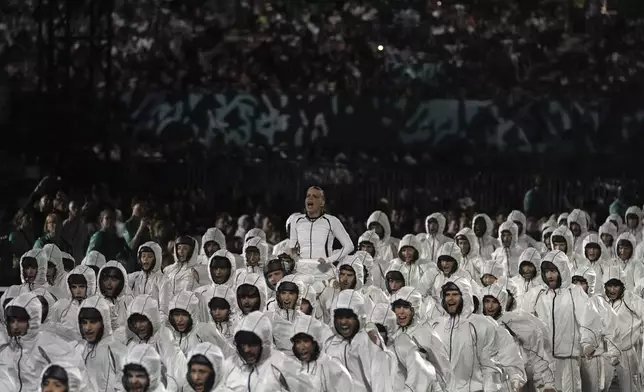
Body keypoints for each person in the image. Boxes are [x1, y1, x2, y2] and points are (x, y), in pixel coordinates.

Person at [218, 311, 314, 391]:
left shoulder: (282, 365)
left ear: (264, 342)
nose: (246, 350)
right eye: (242, 345)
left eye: (252, 344)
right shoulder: (229, 366)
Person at [288, 186, 354, 265]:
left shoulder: (332, 221)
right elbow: (292, 248)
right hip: (301, 270)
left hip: (324, 271)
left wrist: (329, 260)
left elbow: (349, 246)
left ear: (322, 203)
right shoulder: (296, 220)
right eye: (308, 195)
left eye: (315, 196)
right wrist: (297, 261)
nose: (310, 198)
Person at [76, 295, 127, 392]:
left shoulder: (118, 352)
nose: (87, 328)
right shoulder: (80, 350)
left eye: (93, 322)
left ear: (104, 321)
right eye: (84, 322)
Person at [290, 315, 354, 391]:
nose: (302, 347)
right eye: (298, 342)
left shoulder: (333, 368)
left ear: (315, 343)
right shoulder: (297, 368)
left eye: (306, 341)